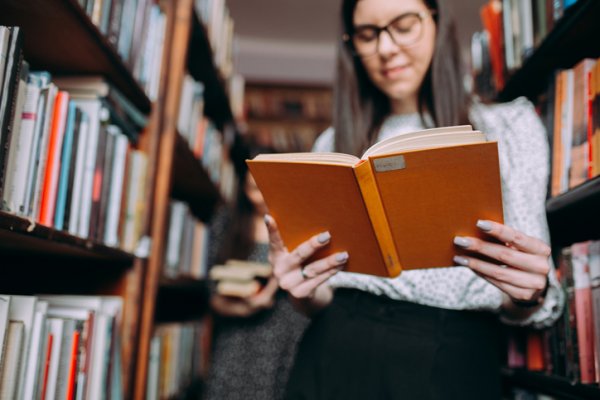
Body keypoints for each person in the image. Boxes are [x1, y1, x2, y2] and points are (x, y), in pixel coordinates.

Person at [265, 0, 564, 399]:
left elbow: (535, 299)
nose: (386, 49)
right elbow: (324, 294)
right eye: (368, 35)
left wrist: (533, 291)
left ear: (438, 23)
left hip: (451, 358)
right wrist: (300, 290)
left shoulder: (510, 127)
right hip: (332, 350)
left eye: (404, 24)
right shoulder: (332, 144)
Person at [203, 142, 308, 400]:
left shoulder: (302, 225)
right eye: (253, 188)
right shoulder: (226, 223)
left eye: (268, 187)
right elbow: (211, 294)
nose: (261, 197)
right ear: (242, 187)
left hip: (288, 336)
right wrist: (246, 307)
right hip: (237, 337)